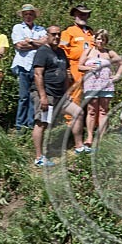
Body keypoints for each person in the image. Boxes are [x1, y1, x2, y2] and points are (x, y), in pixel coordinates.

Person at [31, 25, 87, 167]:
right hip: (47, 94)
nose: (56, 37)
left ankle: (79, 146)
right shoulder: (42, 52)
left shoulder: (61, 53)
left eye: (58, 35)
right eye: (53, 34)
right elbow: (38, 75)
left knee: (78, 113)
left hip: (60, 95)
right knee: (42, 123)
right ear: (47, 35)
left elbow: (66, 73)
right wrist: (43, 96)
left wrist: (67, 92)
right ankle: (39, 157)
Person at [79, 29, 122, 147]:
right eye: (99, 38)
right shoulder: (88, 51)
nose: (101, 41)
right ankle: (89, 136)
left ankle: (101, 138)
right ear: (95, 39)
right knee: (92, 110)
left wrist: (117, 76)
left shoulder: (109, 53)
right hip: (91, 84)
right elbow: (80, 66)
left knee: (103, 111)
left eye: (103, 39)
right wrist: (89, 68)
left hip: (106, 84)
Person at [10, 4, 47, 131]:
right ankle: (20, 125)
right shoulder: (17, 27)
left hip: (37, 66)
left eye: (30, 14)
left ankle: (31, 124)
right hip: (23, 65)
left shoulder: (41, 29)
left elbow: (44, 44)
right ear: (22, 15)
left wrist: (29, 41)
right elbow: (19, 46)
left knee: (34, 96)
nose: (28, 16)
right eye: (25, 14)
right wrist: (36, 43)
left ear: (34, 15)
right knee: (23, 96)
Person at [60, 5, 94, 107]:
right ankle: (70, 121)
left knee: (91, 95)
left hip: (89, 67)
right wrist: (66, 69)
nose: (83, 16)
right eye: (80, 14)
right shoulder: (69, 31)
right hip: (75, 66)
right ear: (74, 15)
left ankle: (89, 121)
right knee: (75, 93)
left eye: (85, 14)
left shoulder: (91, 32)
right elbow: (62, 49)